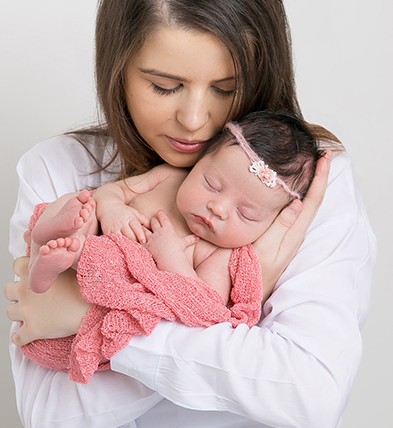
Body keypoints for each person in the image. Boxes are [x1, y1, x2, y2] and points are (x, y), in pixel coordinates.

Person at [4, 0, 376, 428]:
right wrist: (228, 329)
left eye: (226, 88)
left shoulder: (299, 183)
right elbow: (53, 421)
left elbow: (312, 393)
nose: (195, 119)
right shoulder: (60, 172)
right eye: (164, 86)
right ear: (118, 67)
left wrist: (96, 316)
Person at [27, 110, 322, 303]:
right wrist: (113, 209)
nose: (218, 208)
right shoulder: (169, 177)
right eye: (212, 185)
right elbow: (113, 191)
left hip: (118, 280)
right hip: (96, 234)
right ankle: (52, 234)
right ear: (199, 161)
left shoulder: (220, 254)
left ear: (270, 223)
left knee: (110, 263)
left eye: (246, 214)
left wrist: (170, 256)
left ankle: (63, 256)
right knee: (80, 204)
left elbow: (203, 302)